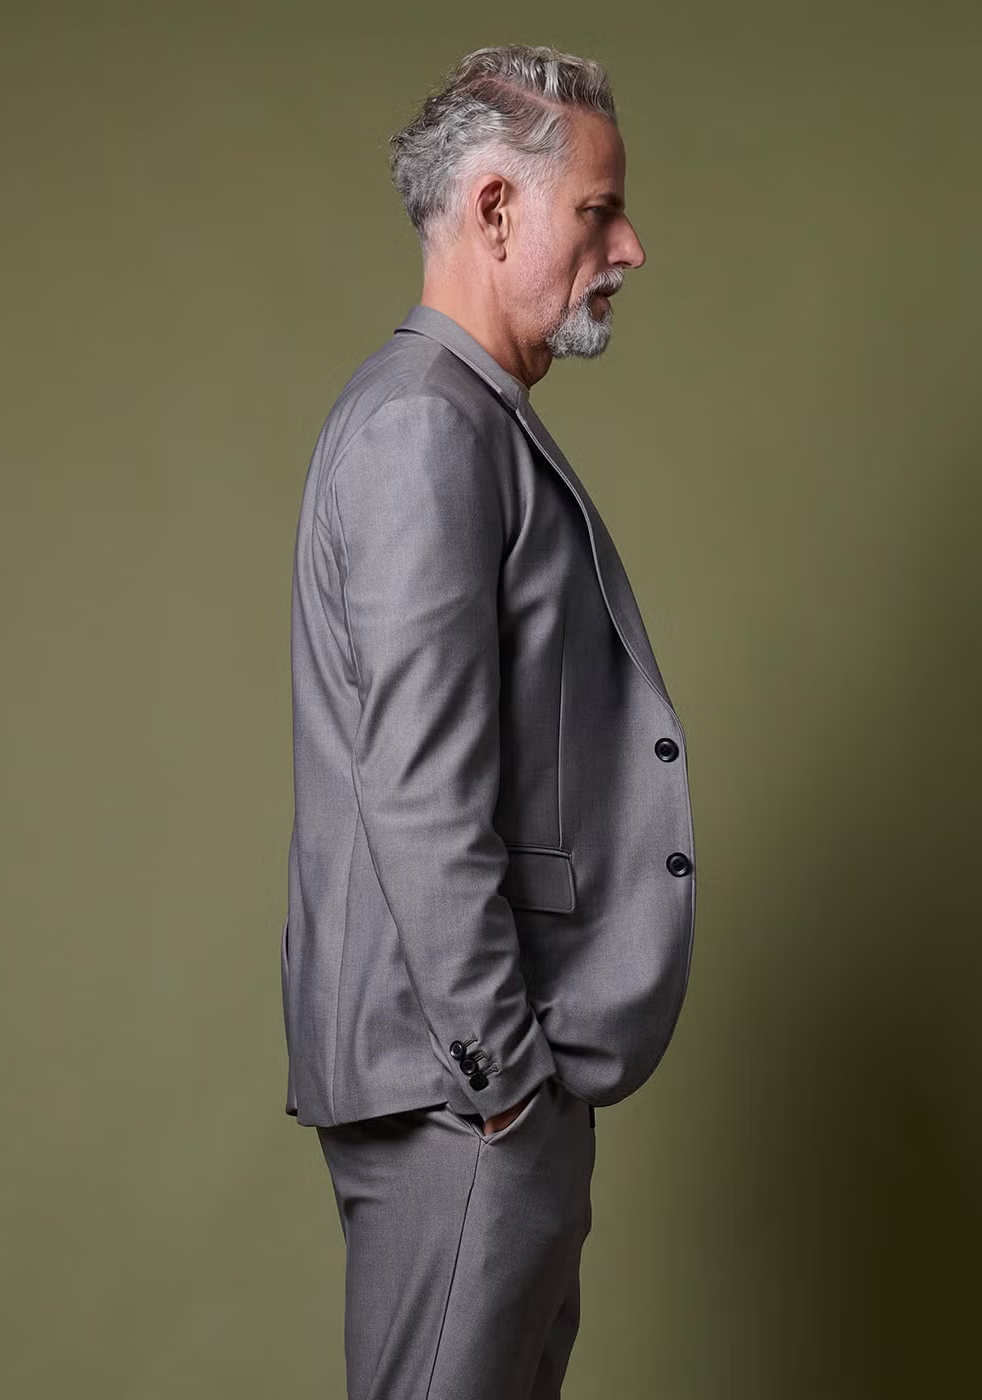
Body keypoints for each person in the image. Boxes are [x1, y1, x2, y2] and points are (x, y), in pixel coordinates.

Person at [281, 43, 696, 1400]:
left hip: (473, 1087)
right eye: (599, 211)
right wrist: (504, 1077)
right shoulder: (428, 429)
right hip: (463, 1093)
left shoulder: (461, 416)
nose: (629, 247)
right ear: (498, 210)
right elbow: (420, 791)